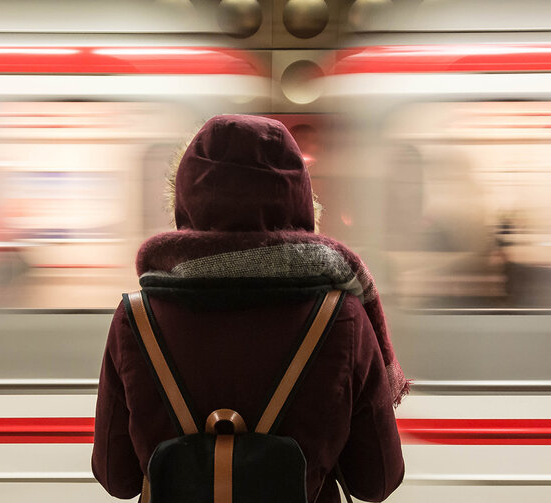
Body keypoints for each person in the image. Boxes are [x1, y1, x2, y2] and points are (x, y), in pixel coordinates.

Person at [92, 115, 407, 502]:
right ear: (300, 199)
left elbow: (116, 477)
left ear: (187, 199)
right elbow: (377, 480)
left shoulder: (136, 319)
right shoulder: (343, 317)